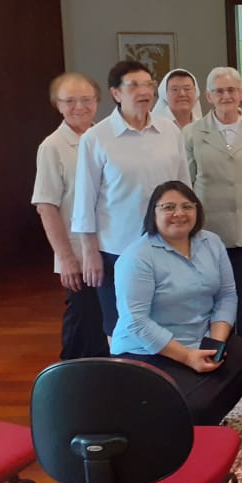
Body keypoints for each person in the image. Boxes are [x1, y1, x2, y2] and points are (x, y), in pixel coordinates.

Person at [109, 181, 242, 426]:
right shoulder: (137, 257)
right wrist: (188, 357)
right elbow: (135, 321)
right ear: (153, 213)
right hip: (150, 349)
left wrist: (217, 342)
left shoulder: (211, 242)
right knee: (192, 407)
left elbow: (226, 294)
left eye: (187, 206)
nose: (179, 213)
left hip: (200, 338)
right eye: (169, 207)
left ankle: (218, 419)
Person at [72, 60, 190, 337]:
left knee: (166, 321)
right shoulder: (96, 138)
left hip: (166, 245)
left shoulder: (170, 131)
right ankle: (123, 377)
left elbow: (184, 188)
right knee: (121, 326)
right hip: (117, 249)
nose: (143, 91)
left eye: (148, 84)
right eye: (134, 85)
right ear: (116, 93)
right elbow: (84, 202)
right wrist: (89, 253)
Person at [184, 67, 242, 349]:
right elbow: (186, 182)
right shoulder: (192, 133)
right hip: (210, 230)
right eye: (219, 91)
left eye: (231, 90)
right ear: (209, 96)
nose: (226, 96)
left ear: (241, 94)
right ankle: (213, 353)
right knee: (214, 295)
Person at [31, 72, 109, 359]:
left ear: (97, 101)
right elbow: (46, 206)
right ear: (57, 105)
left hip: (112, 246)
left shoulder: (105, 136)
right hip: (78, 253)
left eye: (86, 99)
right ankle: (72, 388)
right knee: (84, 326)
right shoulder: (52, 147)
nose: (80, 106)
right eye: (70, 100)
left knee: (109, 323)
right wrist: (65, 259)